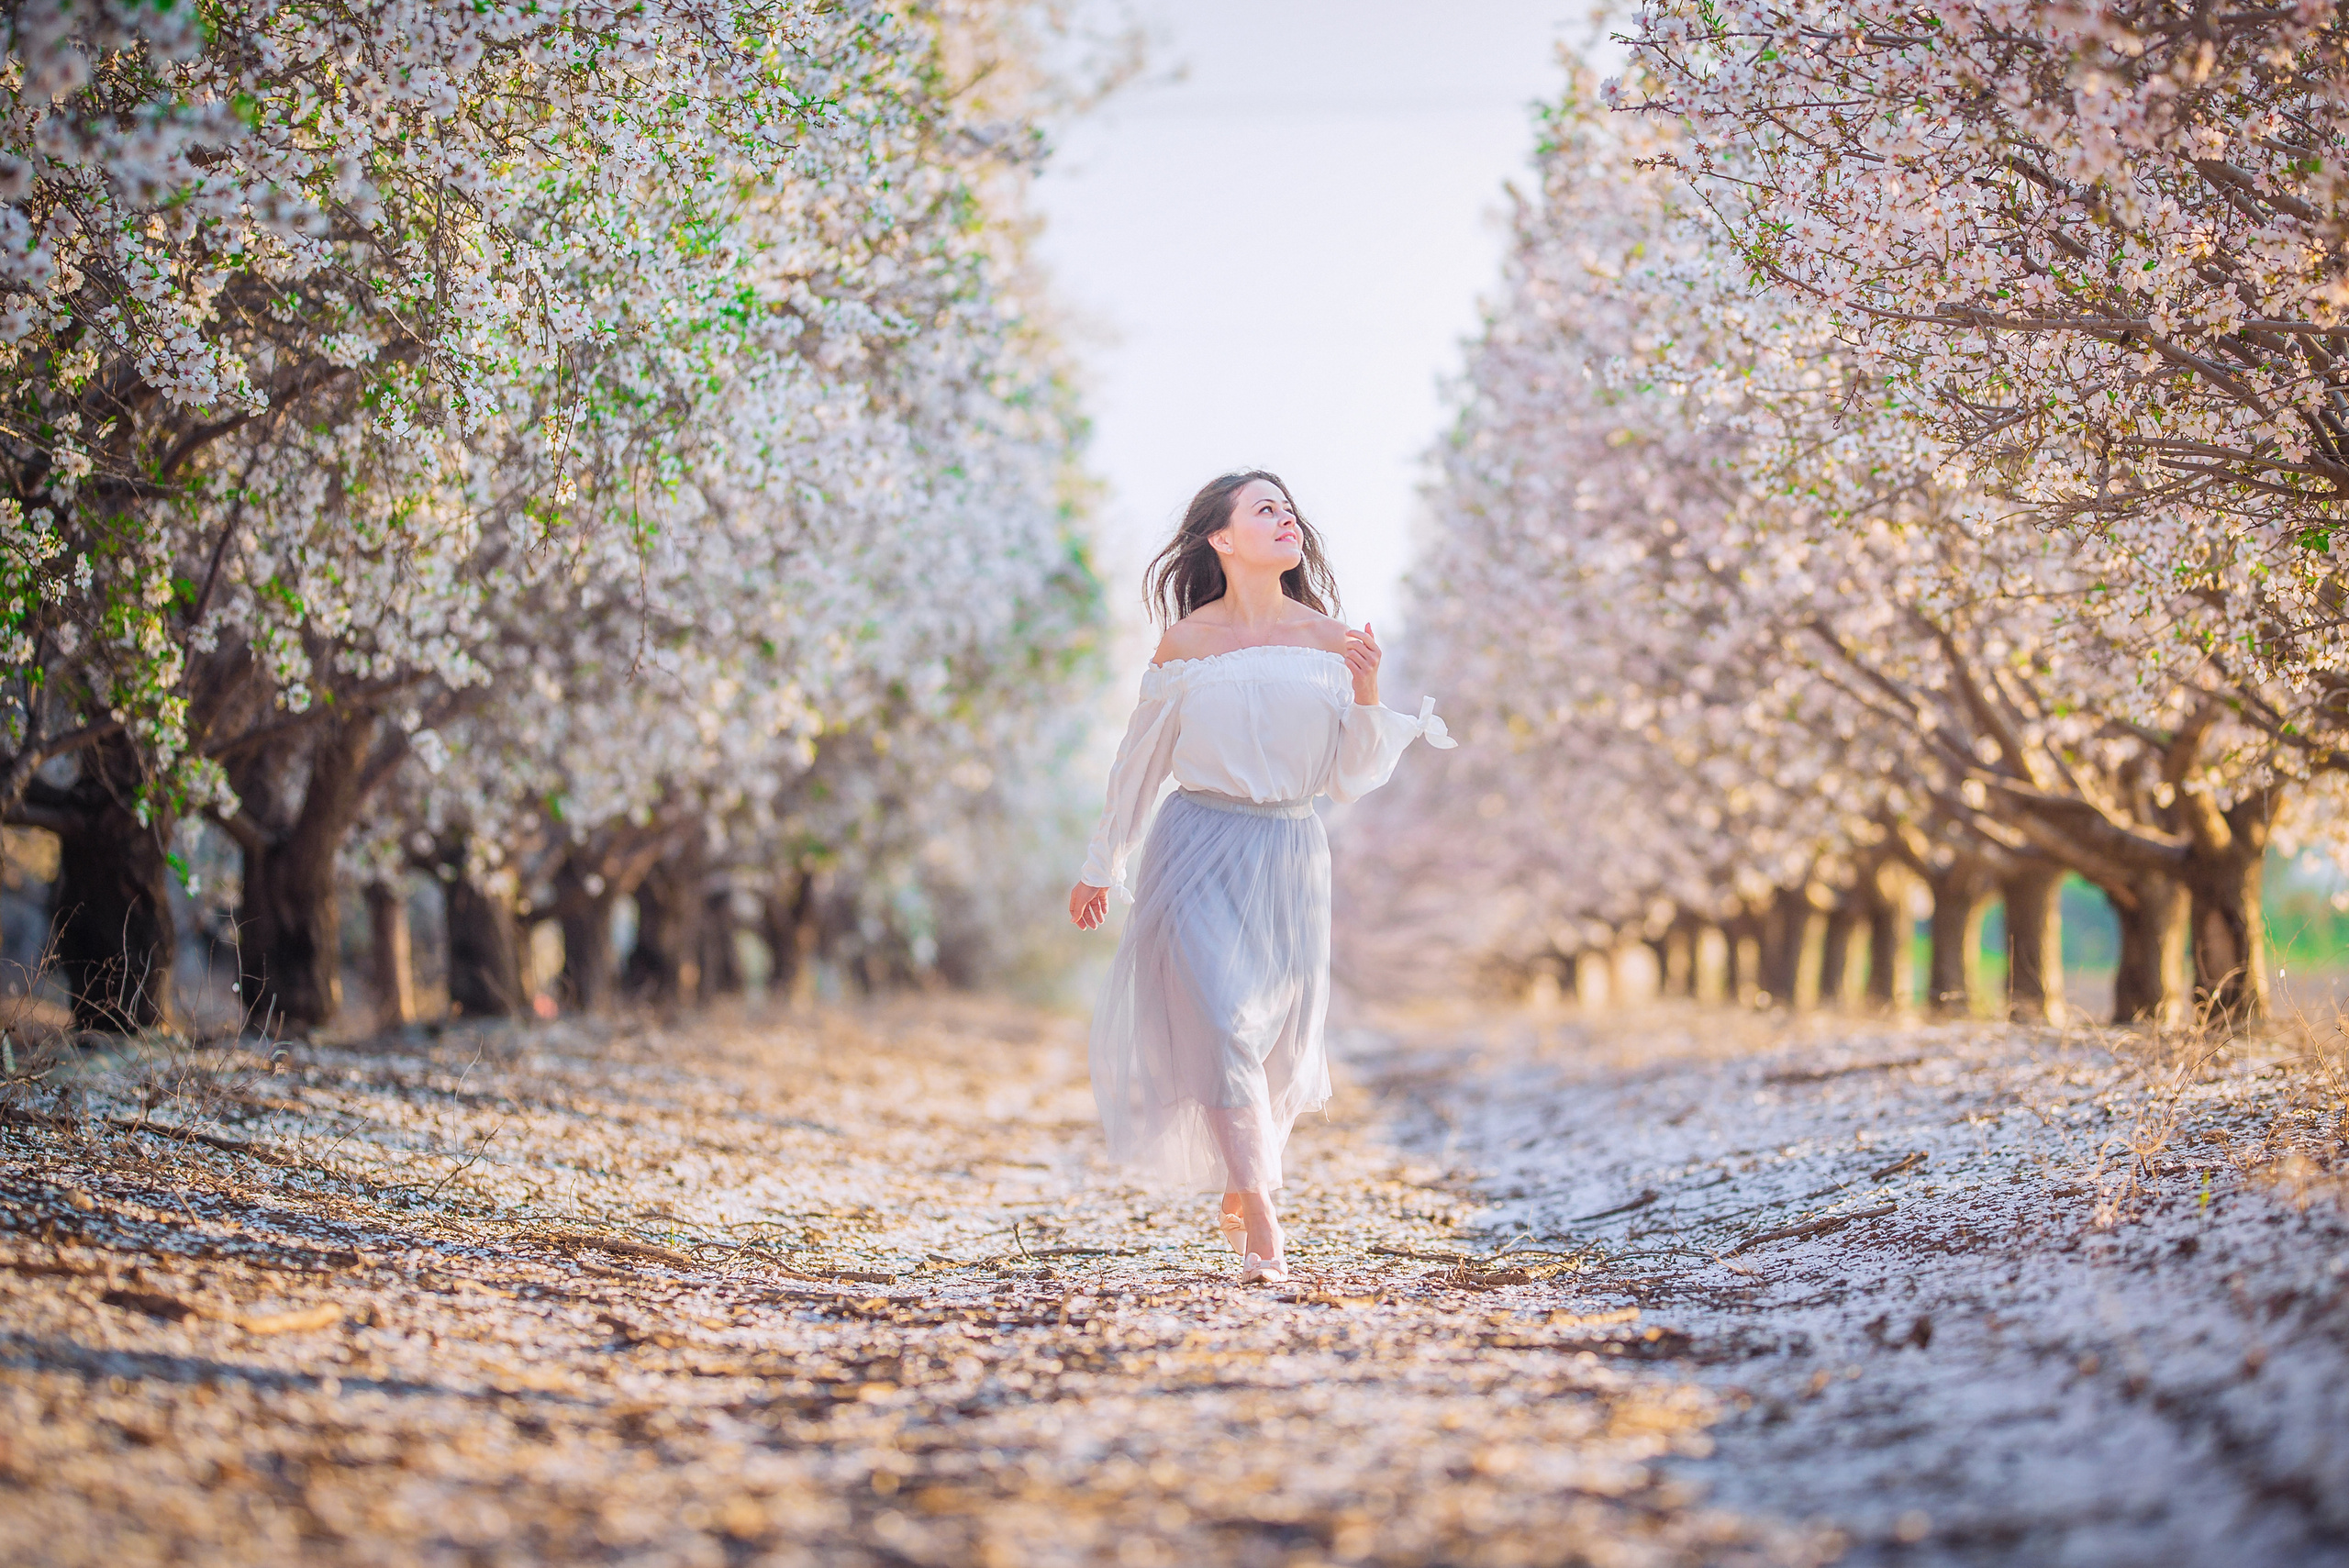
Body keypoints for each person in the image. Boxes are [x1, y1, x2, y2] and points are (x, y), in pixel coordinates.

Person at [1068, 471, 1455, 1284]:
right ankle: (1265, 1225)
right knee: (1220, 1023)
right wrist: (1104, 862)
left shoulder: (1331, 640)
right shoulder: (1185, 645)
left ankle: (1246, 1175)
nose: (1287, 520)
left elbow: (1350, 777)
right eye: (1265, 508)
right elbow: (1139, 763)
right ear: (1221, 537)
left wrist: (1367, 687)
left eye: (1289, 510)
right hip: (1194, 843)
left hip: (1289, 851)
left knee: (1276, 1048)